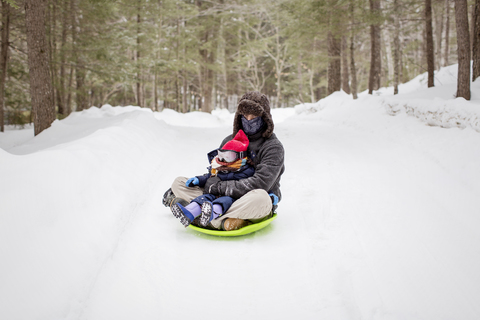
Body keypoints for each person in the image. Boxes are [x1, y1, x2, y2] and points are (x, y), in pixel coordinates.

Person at [163, 91, 285, 231]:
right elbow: (218, 171)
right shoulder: (229, 141)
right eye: (245, 116)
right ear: (239, 117)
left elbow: (260, 183)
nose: (249, 120)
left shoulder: (273, 147)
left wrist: (218, 187)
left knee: (261, 198)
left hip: (249, 200)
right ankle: (222, 218)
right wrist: (204, 180)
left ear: (265, 118)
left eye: (254, 116)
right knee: (179, 183)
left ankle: (203, 216)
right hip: (219, 196)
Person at [171, 129, 256, 228]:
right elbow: (209, 176)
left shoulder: (248, 171)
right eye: (221, 155)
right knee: (203, 198)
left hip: (232, 198)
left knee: (223, 201)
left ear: (241, 157)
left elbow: (254, 185)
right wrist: (199, 180)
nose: (223, 160)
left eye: (229, 156)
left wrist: (270, 194)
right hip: (214, 194)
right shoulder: (219, 168)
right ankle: (189, 212)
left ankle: (211, 214)